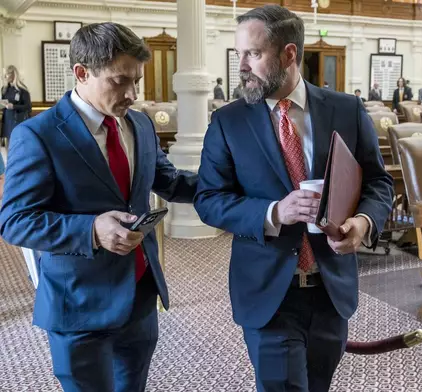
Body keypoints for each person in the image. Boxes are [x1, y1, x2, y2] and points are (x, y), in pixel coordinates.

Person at [194, 5, 394, 391]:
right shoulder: (228, 121)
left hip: (330, 289)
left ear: (288, 54)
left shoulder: (346, 109)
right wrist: (273, 212)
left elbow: (378, 183)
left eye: (253, 54)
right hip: (268, 292)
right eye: (239, 55)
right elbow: (209, 199)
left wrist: (364, 223)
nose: (242, 66)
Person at [0, 22, 198, 391]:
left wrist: (237, 182)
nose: (133, 93)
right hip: (78, 304)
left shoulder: (139, 124)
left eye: (136, 80)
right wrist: (91, 230)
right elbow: (15, 221)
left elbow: (169, 181)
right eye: (120, 81)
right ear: (81, 73)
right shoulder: (38, 134)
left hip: (139, 294)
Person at [1, 65, 32, 145]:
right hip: (7, 119)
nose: (4, 76)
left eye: (7, 74)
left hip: (18, 120)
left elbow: (28, 106)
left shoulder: (22, 90)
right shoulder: (4, 89)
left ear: (13, 75)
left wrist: (13, 106)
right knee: (8, 143)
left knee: (18, 144)